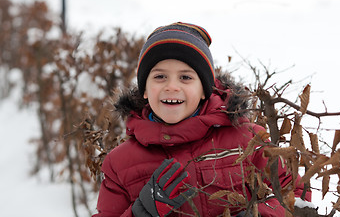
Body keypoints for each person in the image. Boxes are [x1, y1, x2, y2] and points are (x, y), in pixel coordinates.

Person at [92, 22, 311, 217]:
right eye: (160, 76)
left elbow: (295, 195)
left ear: (205, 89)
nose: (172, 86)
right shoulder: (120, 163)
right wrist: (141, 212)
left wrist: (260, 213)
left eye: (185, 77)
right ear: (145, 90)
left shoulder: (247, 139)